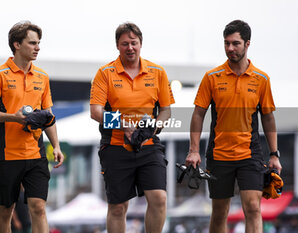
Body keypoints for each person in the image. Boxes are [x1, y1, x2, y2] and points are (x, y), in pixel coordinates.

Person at [185, 20, 282, 233]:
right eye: (226, 43)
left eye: (235, 43)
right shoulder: (211, 77)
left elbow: (268, 118)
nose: (230, 48)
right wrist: (193, 151)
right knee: (220, 211)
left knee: (253, 208)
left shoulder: (261, 79)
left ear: (247, 44)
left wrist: (274, 154)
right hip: (219, 155)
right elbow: (198, 113)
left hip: (250, 154)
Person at [0, 21, 64, 233]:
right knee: (6, 209)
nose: (37, 47)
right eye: (32, 43)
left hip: (36, 154)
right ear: (17, 44)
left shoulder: (42, 77)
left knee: (39, 208)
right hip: (6, 155)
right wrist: (13, 118)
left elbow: (48, 116)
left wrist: (57, 146)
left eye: (39, 43)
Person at [90, 22, 175, 233]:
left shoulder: (158, 72)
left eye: (134, 43)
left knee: (159, 198)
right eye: (125, 44)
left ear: (141, 44)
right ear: (117, 46)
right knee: (118, 207)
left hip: (148, 145)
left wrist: (155, 125)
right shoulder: (105, 73)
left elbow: (166, 111)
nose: (130, 48)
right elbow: (95, 112)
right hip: (115, 145)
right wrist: (123, 125)